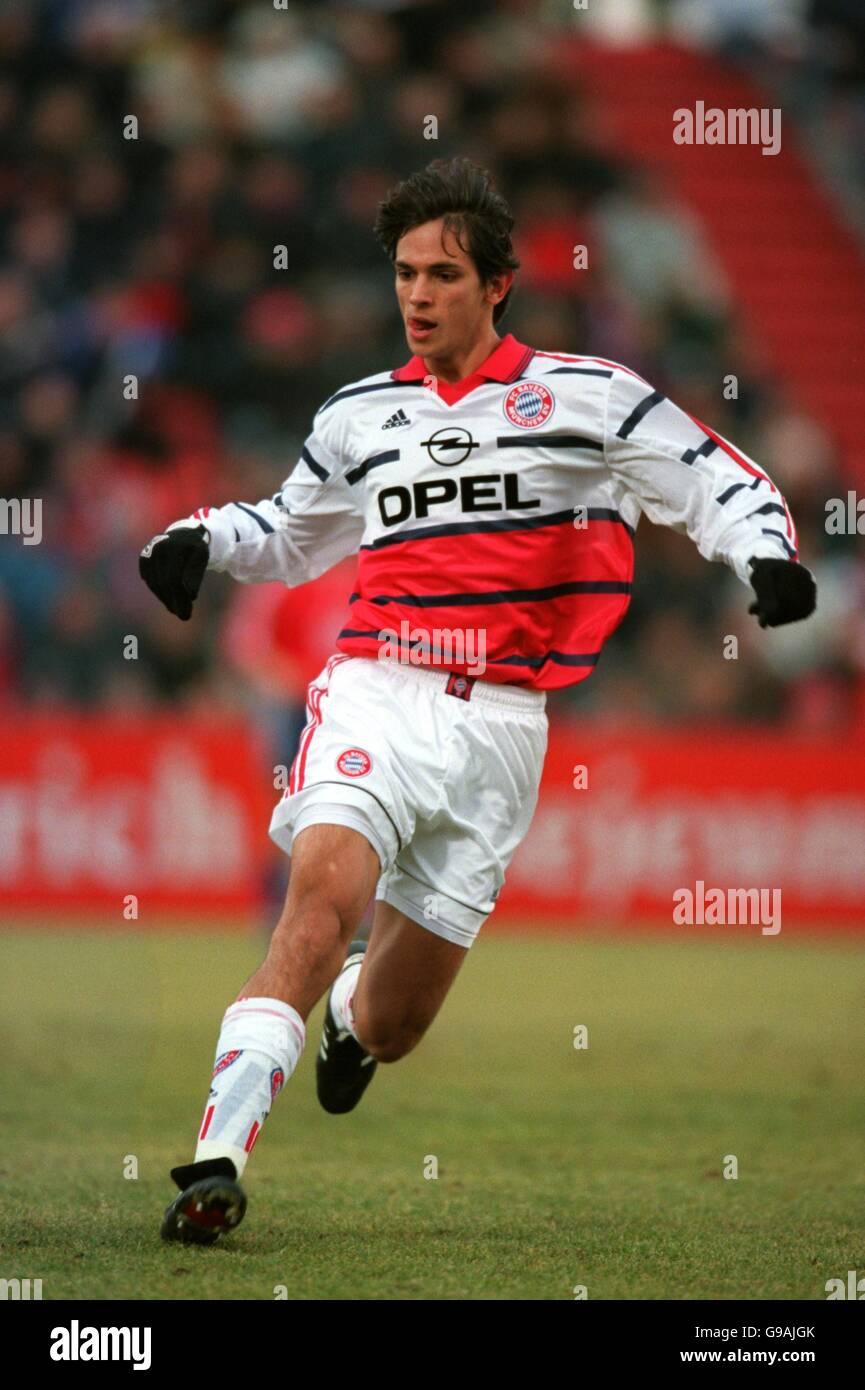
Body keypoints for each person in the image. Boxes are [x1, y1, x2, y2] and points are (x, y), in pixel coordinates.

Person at [139, 156, 816, 1244]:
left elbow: (714, 478)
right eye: (404, 272)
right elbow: (287, 530)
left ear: (496, 284)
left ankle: (354, 1020)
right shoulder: (359, 414)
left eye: (442, 273)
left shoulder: (587, 397)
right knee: (315, 902)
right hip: (377, 691)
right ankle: (216, 1153)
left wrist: (762, 556)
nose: (417, 294)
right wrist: (200, 539)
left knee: (396, 1023)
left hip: (503, 729)